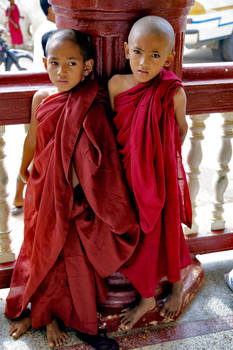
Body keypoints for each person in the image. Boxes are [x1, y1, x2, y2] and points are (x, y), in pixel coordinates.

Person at [5, 28, 140, 349]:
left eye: (71, 63)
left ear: (88, 67)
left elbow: (100, 156)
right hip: (43, 190)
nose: (61, 71)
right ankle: (43, 315)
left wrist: (77, 190)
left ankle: (61, 316)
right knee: (39, 252)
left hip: (76, 198)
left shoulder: (93, 102)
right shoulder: (43, 97)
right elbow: (33, 140)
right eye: (54, 63)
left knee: (70, 259)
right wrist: (24, 180)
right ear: (44, 63)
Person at [108, 15, 192, 330]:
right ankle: (146, 294)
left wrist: (160, 161)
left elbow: (181, 130)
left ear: (168, 58)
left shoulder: (172, 91)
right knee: (138, 235)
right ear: (127, 49)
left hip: (160, 177)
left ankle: (174, 286)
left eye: (155, 55)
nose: (144, 62)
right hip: (127, 175)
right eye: (139, 52)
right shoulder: (116, 84)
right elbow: (114, 128)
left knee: (167, 230)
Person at [11, 0, 56, 216]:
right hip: (44, 93)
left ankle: (20, 195)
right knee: (35, 148)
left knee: (35, 148)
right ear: (50, 9)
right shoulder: (50, 30)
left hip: (48, 90)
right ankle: (20, 193)